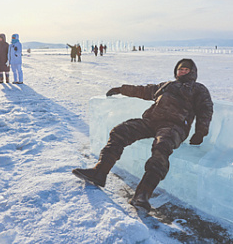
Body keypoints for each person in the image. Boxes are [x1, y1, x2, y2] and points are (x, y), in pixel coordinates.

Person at [72, 59, 213, 211]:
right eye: (180, 69)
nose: (182, 72)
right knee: (120, 131)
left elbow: (206, 110)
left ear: (193, 72)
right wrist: (121, 89)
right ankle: (99, 172)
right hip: (151, 121)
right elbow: (144, 90)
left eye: (186, 69)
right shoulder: (166, 86)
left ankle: (142, 195)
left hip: (174, 127)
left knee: (161, 147)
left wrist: (200, 132)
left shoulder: (198, 89)